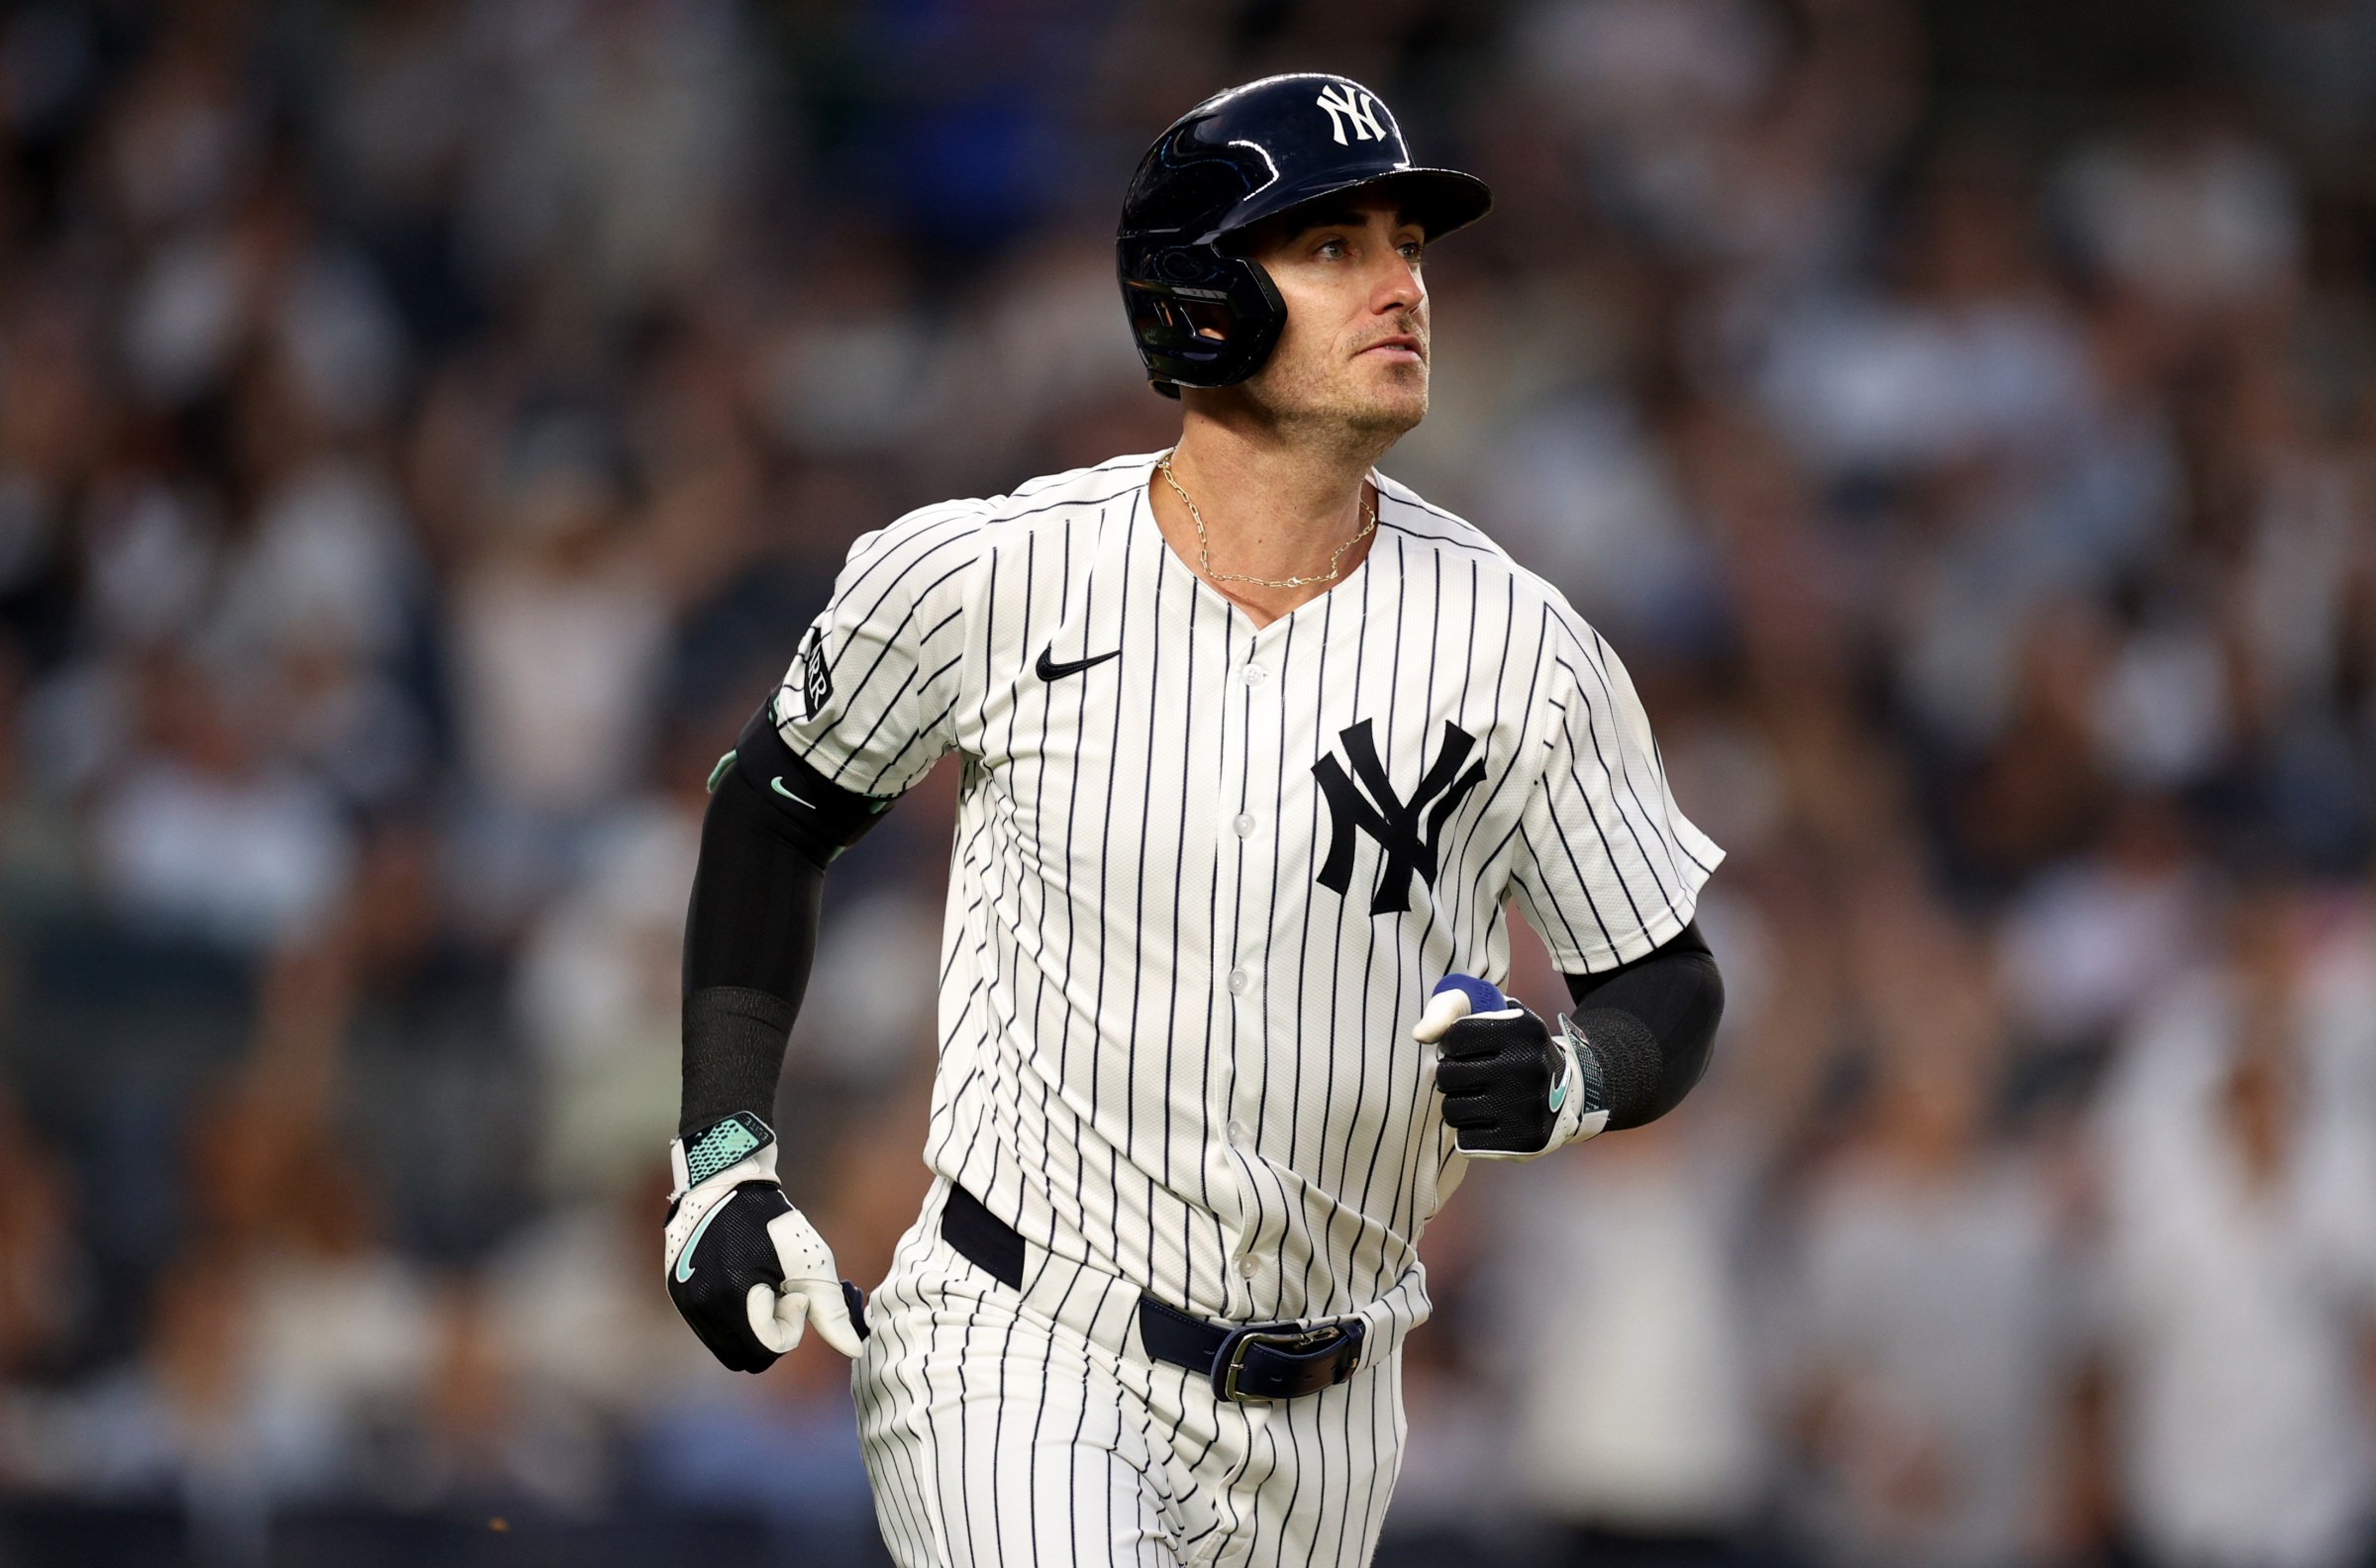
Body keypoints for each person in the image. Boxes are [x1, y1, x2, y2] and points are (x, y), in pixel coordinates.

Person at [657, 73, 1728, 1567]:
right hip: (1020, 1345)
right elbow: (772, 813)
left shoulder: (1521, 645)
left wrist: (1571, 1075)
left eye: (1407, 245)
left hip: (1330, 1422)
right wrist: (726, 1158)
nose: (1401, 286)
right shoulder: (992, 574)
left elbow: (1665, 983)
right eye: (1333, 246)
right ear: (1201, 291)